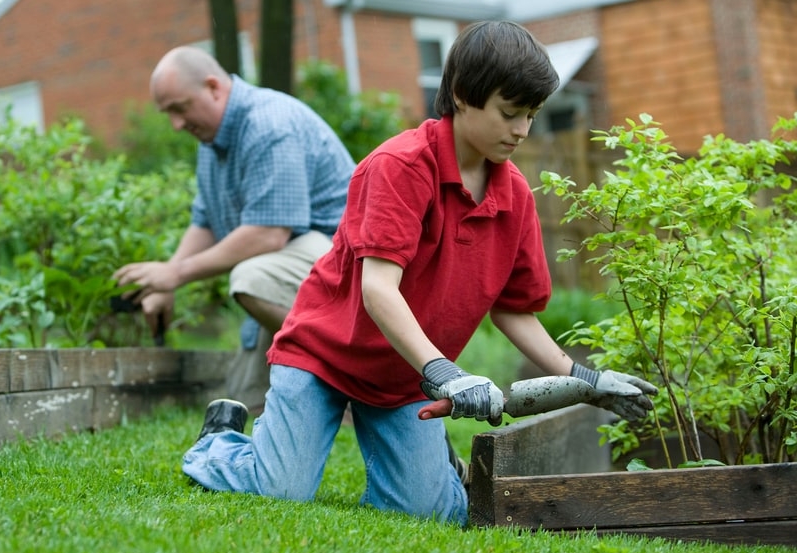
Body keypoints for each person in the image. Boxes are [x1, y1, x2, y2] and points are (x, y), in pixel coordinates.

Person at [180, 21, 658, 526]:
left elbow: (514, 312)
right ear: (460, 95)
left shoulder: (514, 195)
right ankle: (221, 441)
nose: (522, 130)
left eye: (531, 116)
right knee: (280, 490)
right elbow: (379, 289)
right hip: (324, 357)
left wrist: (588, 380)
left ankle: (433, 470)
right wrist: (447, 373)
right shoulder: (400, 167)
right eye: (510, 113)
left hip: (406, 376)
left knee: (429, 513)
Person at [113, 46, 356, 413]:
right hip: (294, 272)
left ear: (213, 87)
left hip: (348, 270)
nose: (176, 124)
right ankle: (319, 386)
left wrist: (176, 274)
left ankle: (353, 376)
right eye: (168, 114)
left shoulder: (268, 124)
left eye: (179, 108)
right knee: (242, 402)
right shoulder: (212, 141)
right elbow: (206, 221)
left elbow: (268, 234)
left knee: (252, 277)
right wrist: (163, 282)